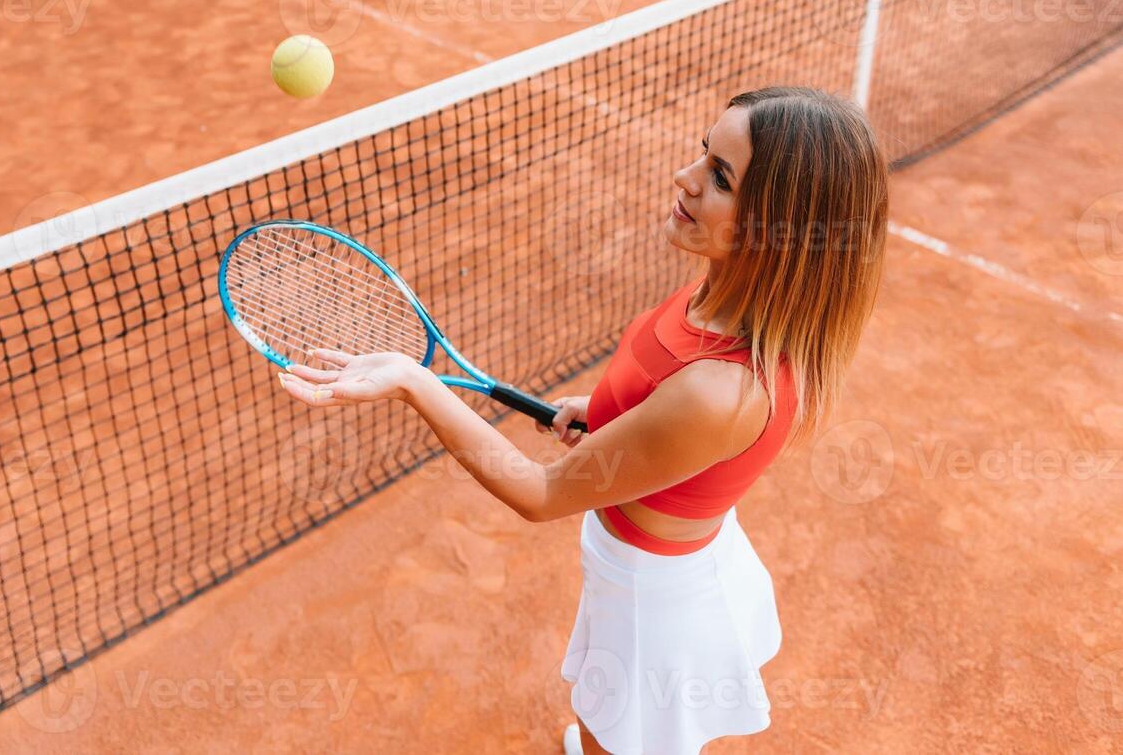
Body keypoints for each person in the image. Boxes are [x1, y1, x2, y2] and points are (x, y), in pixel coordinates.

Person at [277, 86, 890, 754]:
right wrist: (606, 412)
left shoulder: (722, 392)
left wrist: (415, 384)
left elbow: (540, 495)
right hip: (658, 562)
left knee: (613, 737)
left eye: (720, 178)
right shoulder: (725, 290)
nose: (684, 179)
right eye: (702, 152)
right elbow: (658, 383)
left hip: (651, 606)